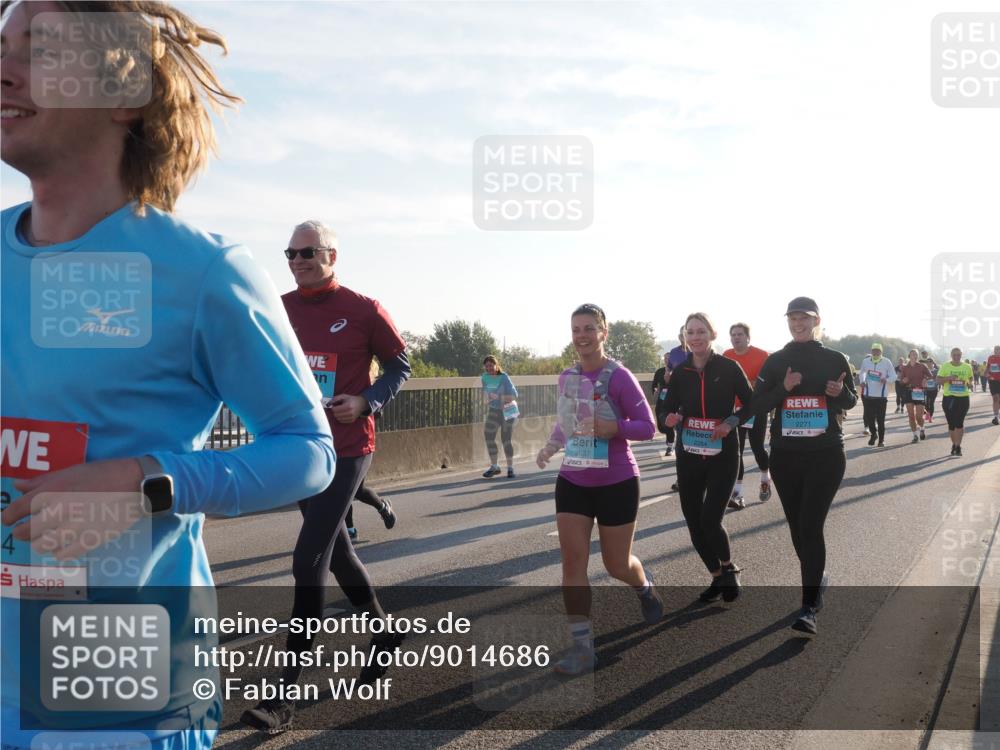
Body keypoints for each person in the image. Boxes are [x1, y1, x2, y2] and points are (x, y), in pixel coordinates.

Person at [0, 3, 335, 749]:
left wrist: (145, 482)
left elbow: (308, 450)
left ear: (124, 95)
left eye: (40, 47)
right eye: (2, 45)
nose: (4, 67)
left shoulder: (202, 271)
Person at [241, 220, 412, 732]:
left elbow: (400, 365)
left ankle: (282, 698)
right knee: (337, 551)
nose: (297, 261)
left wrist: (366, 400)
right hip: (298, 449)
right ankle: (384, 632)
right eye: (290, 253)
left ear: (332, 254)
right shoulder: (280, 308)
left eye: (308, 252)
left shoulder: (364, 309)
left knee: (307, 558)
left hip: (348, 447)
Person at [536, 304, 661, 675]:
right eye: (576, 329)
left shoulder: (619, 377)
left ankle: (643, 587)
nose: (582, 335)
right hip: (574, 479)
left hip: (617, 481)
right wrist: (550, 446)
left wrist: (614, 428)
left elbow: (647, 427)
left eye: (589, 328)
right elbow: (566, 424)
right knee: (572, 563)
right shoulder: (566, 378)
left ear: (603, 332)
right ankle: (581, 649)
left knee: (616, 564)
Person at [751, 297, 857, 635]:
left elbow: (851, 401)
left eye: (805, 318)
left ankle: (809, 607)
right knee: (798, 528)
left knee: (810, 526)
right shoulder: (776, 362)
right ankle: (817, 574)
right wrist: (784, 388)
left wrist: (839, 393)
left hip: (826, 454)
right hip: (786, 455)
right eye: (793, 318)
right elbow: (759, 404)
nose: (798, 323)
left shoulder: (834, 358)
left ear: (817, 321)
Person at [661, 313, 753, 604]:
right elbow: (662, 410)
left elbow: (752, 404)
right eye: (691, 332)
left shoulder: (728, 367)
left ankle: (729, 568)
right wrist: (669, 418)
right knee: (693, 521)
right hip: (688, 455)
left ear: (712, 334)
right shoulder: (680, 372)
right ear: (685, 337)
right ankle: (716, 576)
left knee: (711, 519)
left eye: (701, 331)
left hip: (722, 454)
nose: (696, 337)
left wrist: (730, 423)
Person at [345, 360, 396, 539]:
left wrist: (361, 405)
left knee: (356, 490)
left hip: (361, 443)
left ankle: (383, 507)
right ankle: (349, 529)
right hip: (338, 440)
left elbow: (377, 411)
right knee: (341, 488)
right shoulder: (341, 382)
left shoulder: (371, 390)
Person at [723, 322, 771, 505]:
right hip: (735, 410)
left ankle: (765, 478)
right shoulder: (726, 356)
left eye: (740, 334)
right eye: (733, 334)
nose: (736, 337)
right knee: (737, 451)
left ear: (748, 337)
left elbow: (767, 382)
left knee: (758, 448)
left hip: (755, 408)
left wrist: (748, 384)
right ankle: (737, 492)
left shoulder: (762, 355)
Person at [481, 355, 519, 478]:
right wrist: (486, 398)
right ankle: (494, 466)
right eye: (486, 366)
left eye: (491, 365)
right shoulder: (485, 378)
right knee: (488, 435)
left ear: (496, 365)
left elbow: (514, 395)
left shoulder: (504, 377)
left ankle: (510, 468)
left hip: (507, 411)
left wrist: (499, 397)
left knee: (505, 439)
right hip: (493, 410)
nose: (489, 368)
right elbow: (486, 395)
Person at [937, 348, 974, 457]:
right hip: (949, 398)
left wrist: (970, 383)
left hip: (963, 398)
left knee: (959, 423)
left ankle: (958, 446)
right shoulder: (945, 366)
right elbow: (938, 380)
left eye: (958, 354)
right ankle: (954, 444)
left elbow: (970, 378)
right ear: (951, 355)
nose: (956, 356)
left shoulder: (967, 366)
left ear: (961, 355)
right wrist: (949, 378)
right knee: (952, 424)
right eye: (954, 355)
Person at [858, 343, 896, 447]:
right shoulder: (866, 361)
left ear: (881, 352)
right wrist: (862, 381)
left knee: (880, 419)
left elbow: (894, 376)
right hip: (868, 395)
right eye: (874, 350)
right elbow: (862, 373)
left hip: (881, 396)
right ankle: (874, 434)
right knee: (869, 418)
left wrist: (886, 380)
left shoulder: (886, 362)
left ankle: (881, 440)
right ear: (871, 351)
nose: (875, 352)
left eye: (877, 351)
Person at [898, 349, 932, 443]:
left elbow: (930, 376)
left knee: (919, 416)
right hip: (908, 391)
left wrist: (925, 379)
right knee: (911, 416)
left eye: (916, 354)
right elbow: (900, 381)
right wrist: (903, 381)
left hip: (919, 391)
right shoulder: (905, 367)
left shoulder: (922, 366)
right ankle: (915, 435)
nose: (915, 356)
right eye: (913, 354)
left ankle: (922, 428)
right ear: (909, 356)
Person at [651, 352, 675, 457]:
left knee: (668, 422)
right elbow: (654, 385)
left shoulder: (677, 371)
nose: (666, 360)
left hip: (673, 401)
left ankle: (670, 446)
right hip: (661, 400)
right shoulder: (659, 371)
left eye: (668, 358)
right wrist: (655, 390)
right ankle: (671, 434)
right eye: (665, 358)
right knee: (661, 427)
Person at [919, 351, 939, 424]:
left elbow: (937, 378)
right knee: (926, 403)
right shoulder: (925, 370)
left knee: (931, 403)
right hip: (926, 389)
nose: (929, 364)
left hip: (934, 389)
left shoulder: (936, 370)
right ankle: (927, 414)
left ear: (932, 363)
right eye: (927, 363)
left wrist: (931, 378)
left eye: (930, 362)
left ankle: (930, 416)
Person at [988, 345, 1000, 425]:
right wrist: (986, 373)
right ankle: (996, 417)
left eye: (998, 350)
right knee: (995, 398)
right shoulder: (990, 357)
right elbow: (988, 367)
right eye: (995, 349)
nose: (996, 351)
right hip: (993, 381)